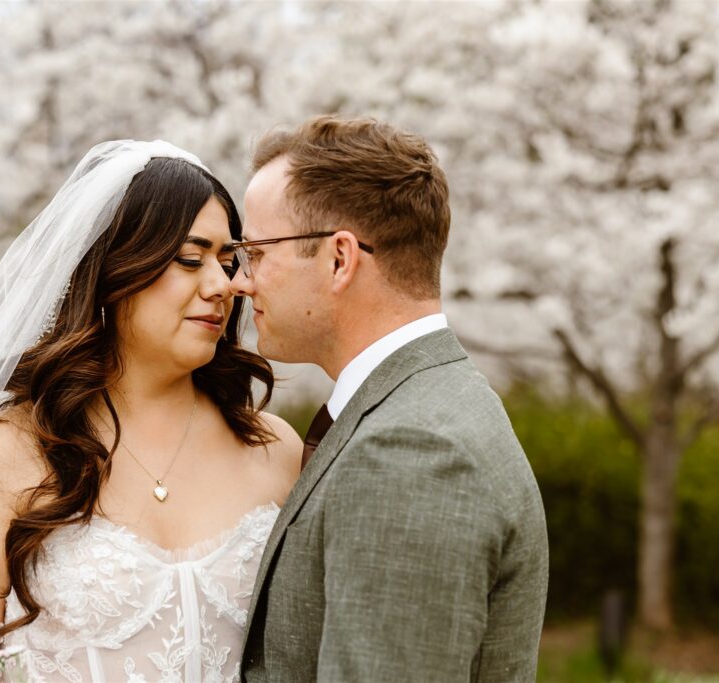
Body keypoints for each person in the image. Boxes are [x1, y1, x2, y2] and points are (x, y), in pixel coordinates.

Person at [0, 141, 302, 683]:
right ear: (114, 270)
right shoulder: (5, 455)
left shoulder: (276, 450)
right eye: (191, 260)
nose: (223, 286)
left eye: (228, 262)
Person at [229, 116, 549, 682]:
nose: (240, 281)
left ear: (339, 259)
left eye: (256, 253)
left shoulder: (410, 452)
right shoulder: (430, 400)